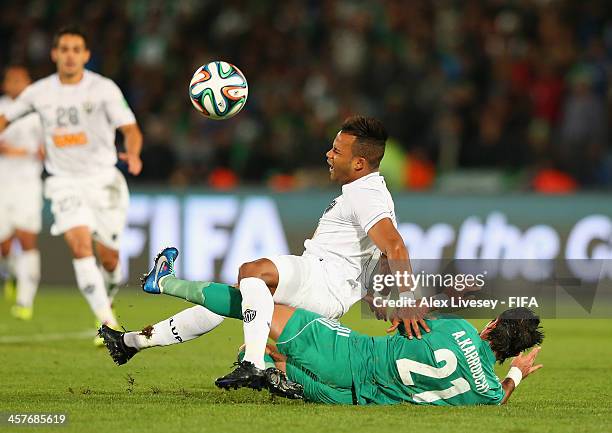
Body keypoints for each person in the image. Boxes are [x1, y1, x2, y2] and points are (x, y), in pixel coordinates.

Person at [100, 293, 544, 406]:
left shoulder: (456, 327)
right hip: (345, 396)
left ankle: (137, 335)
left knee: (252, 297)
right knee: (267, 339)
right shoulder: (486, 389)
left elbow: (407, 319)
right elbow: (498, 395)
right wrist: (517, 374)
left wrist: (384, 303)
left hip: (348, 354)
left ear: (492, 324)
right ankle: (275, 369)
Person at [0, 26, 143, 344]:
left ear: (86, 56)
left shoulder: (103, 89)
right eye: (64, 49)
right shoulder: (39, 92)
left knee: (110, 260)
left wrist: (132, 154)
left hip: (104, 180)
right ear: (54, 54)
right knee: (80, 245)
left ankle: (106, 299)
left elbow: (131, 129)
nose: (69, 55)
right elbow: (5, 119)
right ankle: (107, 323)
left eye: (76, 49)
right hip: (64, 182)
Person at [0, 65, 44, 320]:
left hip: (28, 184)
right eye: (11, 80)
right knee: (4, 245)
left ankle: (25, 301)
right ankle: (12, 272)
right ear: (5, 84)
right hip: (3, 184)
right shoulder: (2, 107)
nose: (16, 84)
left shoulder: (38, 111)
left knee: (27, 240)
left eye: (21, 80)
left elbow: (48, 146)